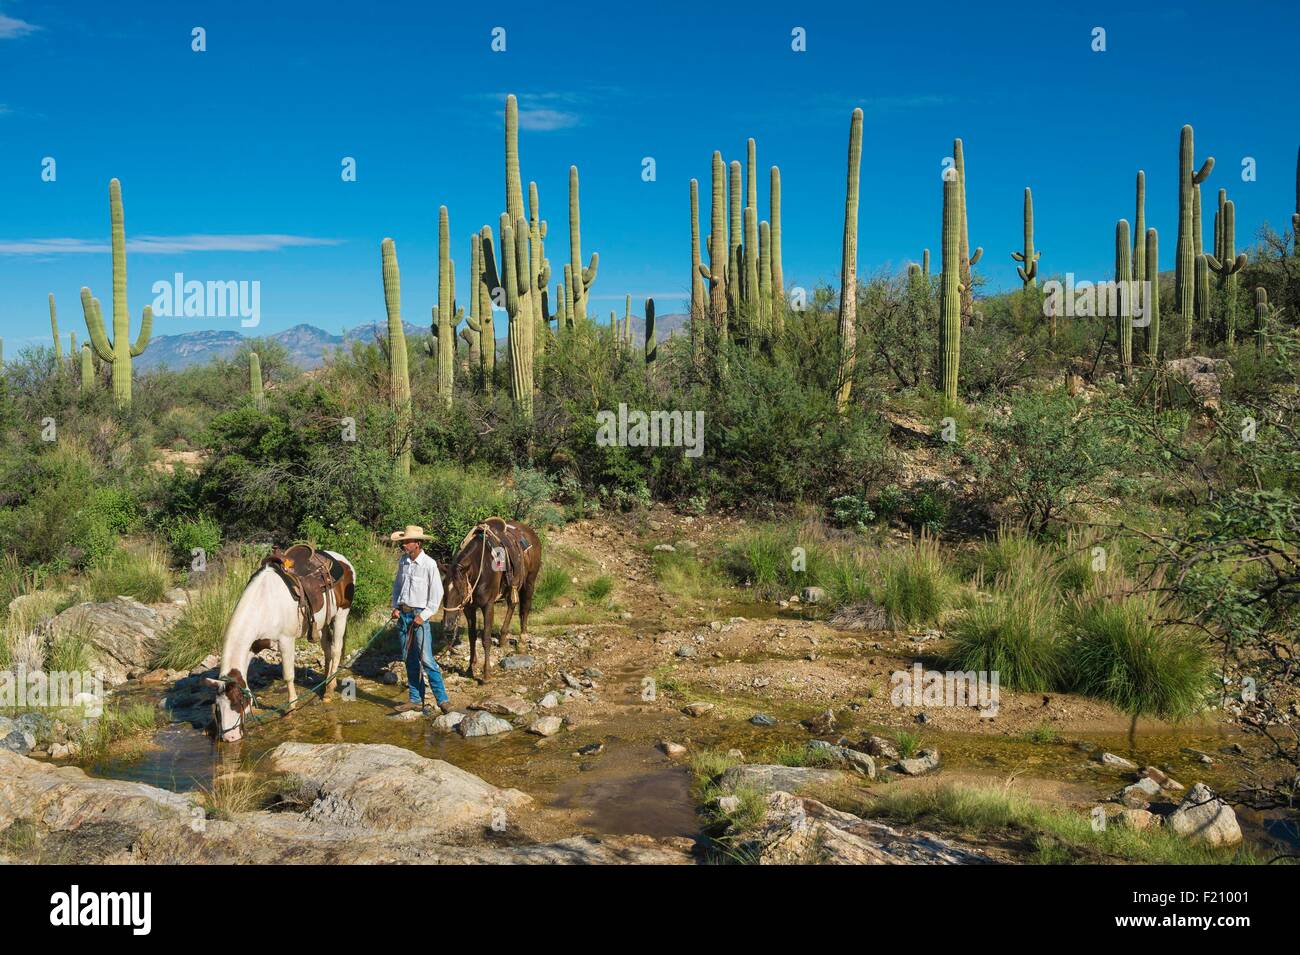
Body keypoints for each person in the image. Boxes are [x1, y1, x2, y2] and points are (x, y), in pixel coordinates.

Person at [388, 525, 454, 714]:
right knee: (409, 658)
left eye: (406, 542)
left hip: (419, 615)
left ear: (417, 543)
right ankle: (415, 700)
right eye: (403, 542)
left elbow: (437, 594)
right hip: (403, 614)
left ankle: (443, 700)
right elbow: (398, 586)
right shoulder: (403, 562)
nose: (403, 545)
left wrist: (423, 616)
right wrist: (395, 606)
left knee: (426, 659)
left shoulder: (429, 564)